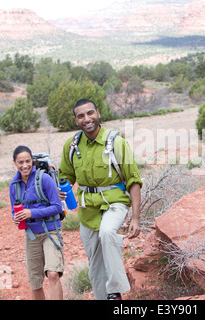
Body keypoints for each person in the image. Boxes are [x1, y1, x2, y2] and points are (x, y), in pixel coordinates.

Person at [58, 99, 142, 300]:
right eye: (81, 116)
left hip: (115, 202)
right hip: (88, 209)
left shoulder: (116, 142)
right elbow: (66, 176)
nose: (86, 119)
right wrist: (63, 188)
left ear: (98, 113)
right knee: (95, 263)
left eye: (90, 113)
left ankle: (115, 290)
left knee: (107, 233)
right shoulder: (72, 146)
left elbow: (133, 180)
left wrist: (136, 218)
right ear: (76, 120)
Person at [9, 145, 65, 300]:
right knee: (35, 281)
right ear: (15, 163)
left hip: (51, 231)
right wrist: (16, 217)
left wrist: (31, 213)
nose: (25, 165)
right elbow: (14, 210)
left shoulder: (44, 179)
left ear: (32, 161)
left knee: (53, 273)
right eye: (21, 162)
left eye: (28, 161)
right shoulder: (14, 186)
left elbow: (57, 207)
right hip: (32, 235)